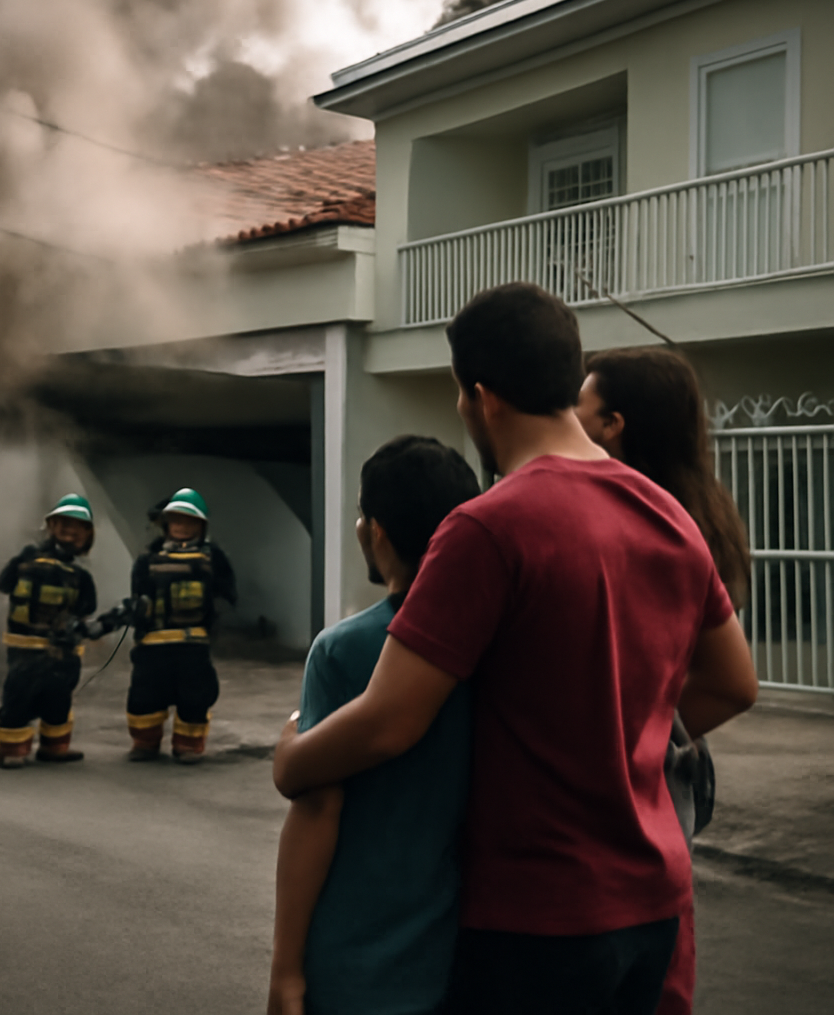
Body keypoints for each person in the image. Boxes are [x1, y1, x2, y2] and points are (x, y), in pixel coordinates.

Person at [272, 282, 759, 1015]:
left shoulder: (487, 527)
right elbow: (733, 684)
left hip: (538, 917)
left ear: (480, 395)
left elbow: (390, 720)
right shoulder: (666, 512)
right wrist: (624, 733)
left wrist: (291, 760)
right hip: (654, 902)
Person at [268, 436, 481, 1015]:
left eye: (362, 514)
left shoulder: (344, 650)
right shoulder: (497, 641)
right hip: (472, 955)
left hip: (357, 960)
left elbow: (316, 809)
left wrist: (286, 968)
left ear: (375, 531)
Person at [578, 345, 753, 1015]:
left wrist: (643, 733)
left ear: (616, 424)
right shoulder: (699, 510)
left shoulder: (654, 524)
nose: (570, 420)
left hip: (655, 772)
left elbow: (728, 683)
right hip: (677, 772)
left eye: (581, 409)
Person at [125, 488, 237, 763]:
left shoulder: (214, 558)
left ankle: (188, 745)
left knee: (195, 694)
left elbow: (227, 594)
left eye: (190, 522)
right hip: (152, 644)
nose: (182, 527)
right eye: (176, 521)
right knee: (145, 695)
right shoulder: (147, 559)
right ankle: (145, 743)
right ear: (165, 524)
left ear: (201, 526)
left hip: (192, 644)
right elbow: (138, 594)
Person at [0, 493, 98, 769]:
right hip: (26, 651)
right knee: (20, 698)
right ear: (51, 527)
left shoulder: (80, 576)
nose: (69, 531)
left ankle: (54, 747)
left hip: (60, 654)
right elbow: (4, 584)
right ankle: (12, 749)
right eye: (64, 525)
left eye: (77, 527)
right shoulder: (34, 561)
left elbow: (86, 611)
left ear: (86, 535)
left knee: (58, 699)